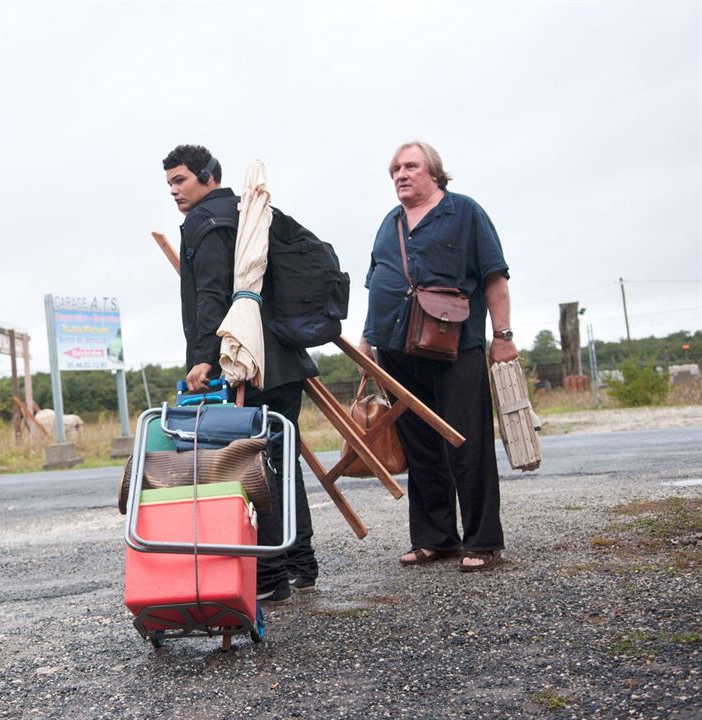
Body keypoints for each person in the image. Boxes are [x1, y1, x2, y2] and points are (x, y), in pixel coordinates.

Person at [163, 144, 320, 602]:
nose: (174, 191)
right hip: (284, 359)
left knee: (250, 464)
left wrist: (203, 357)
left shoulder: (206, 221)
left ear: (209, 175)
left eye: (181, 180)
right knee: (279, 460)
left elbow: (211, 293)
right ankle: (300, 565)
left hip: (244, 361)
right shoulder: (251, 209)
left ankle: (270, 578)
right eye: (170, 183)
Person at [359, 140, 517, 572]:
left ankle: (483, 542)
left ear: (434, 172)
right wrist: (367, 341)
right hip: (396, 349)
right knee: (420, 446)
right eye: (394, 169)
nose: (400, 175)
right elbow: (378, 285)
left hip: (456, 347)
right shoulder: (388, 224)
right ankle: (435, 539)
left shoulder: (465, 212)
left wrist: (501, 336)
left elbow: (494, 277)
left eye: (410, 166)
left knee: (468, 443)